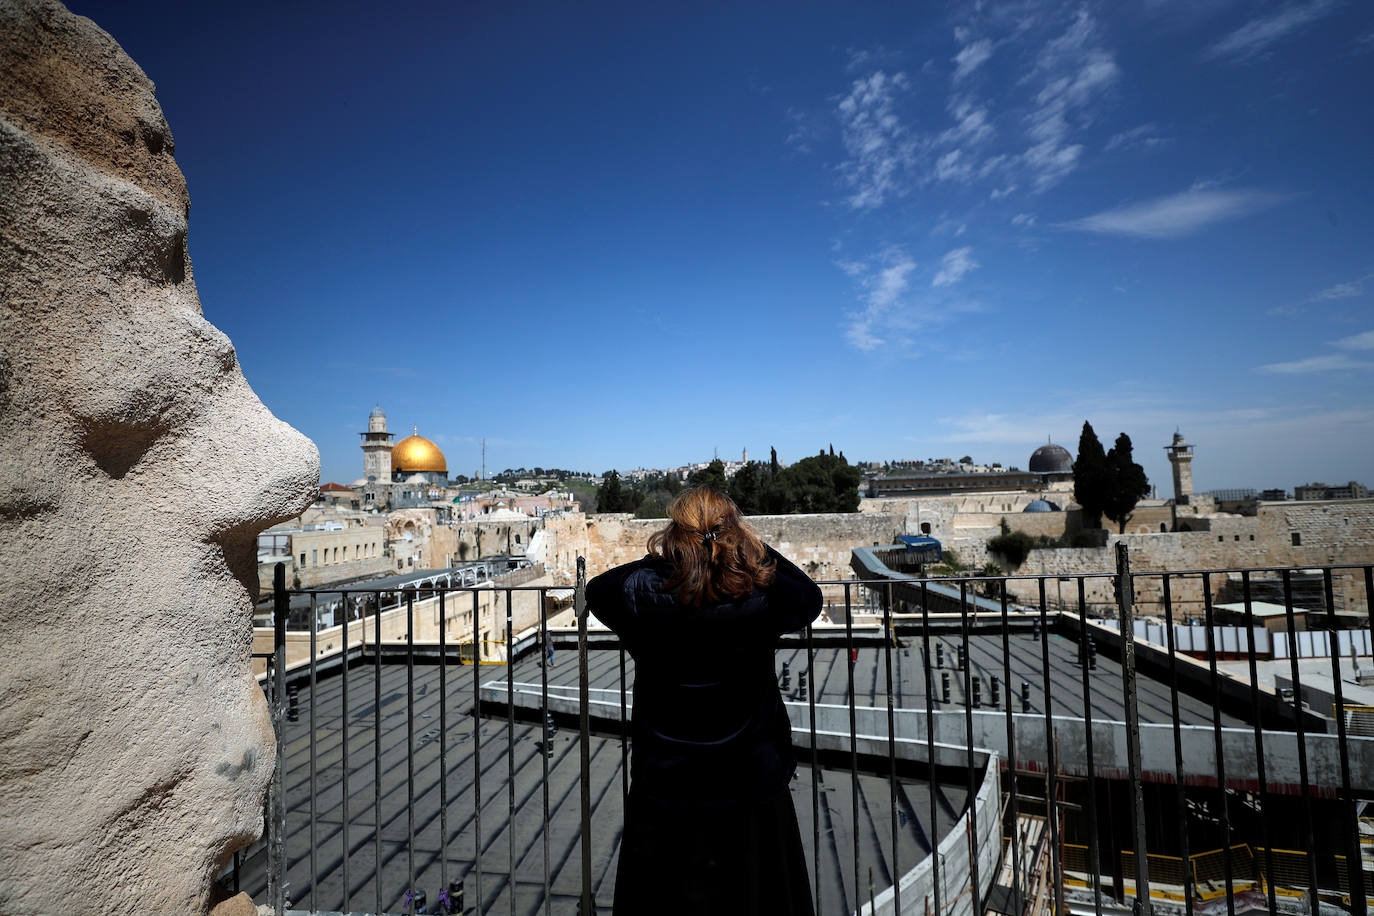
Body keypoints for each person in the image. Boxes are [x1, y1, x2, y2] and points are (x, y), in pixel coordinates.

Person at [587, 487, 822, 916]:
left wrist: (668, 558)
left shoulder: (643, 595)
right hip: (750, 783)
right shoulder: (760, 597)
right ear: (733, 534)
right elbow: (809, 598)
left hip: (666, 785)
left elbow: (598, 590)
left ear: (676, 534)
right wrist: (752, 549)